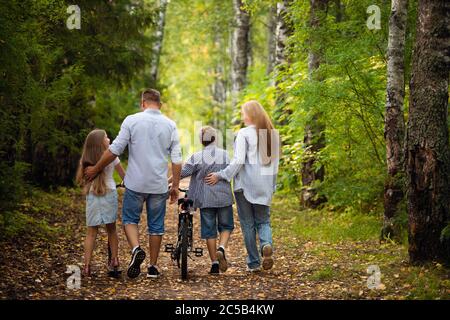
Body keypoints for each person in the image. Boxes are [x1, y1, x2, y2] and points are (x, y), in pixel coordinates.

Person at [84, 89, 182, 279]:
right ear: (159, 105)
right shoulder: (170, 125)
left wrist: (96, 169)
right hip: (158, 185)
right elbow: (177, 159)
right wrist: (175, 186)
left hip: (135, 183)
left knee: (130, 220)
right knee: (156, 226)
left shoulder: (132, 120)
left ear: (143, 103)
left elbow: (115, 149)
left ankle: (136, 249)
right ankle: (152, 267)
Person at [205, 100, 280, 272]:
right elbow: (275, 165)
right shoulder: (272, 134)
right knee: (263, 221)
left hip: (245, 186)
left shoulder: (244, 134)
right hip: (265, 185)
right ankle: (266, 245)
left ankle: (253, 263)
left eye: (243, 113)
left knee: (248, 224)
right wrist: (272, 186)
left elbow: (238, 161)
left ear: (251, 114)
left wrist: (221, 175)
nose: (242, 116)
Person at [170, 126, 234, 275]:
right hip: (224, 197)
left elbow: (182, 173)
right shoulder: (225, 155)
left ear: (201, 140)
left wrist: (168, 181)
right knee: (226, 226)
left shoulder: (196, 156)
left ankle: (214, 264)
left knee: (209, 231)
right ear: (215, 138)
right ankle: (222, 248)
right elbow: (231, 172)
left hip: (205, 199)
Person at [76, 129, 126, 277]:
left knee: (91, 232)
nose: (109, 139)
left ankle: (86, 266)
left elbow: (82, 178)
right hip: (109, 192)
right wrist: (125, 183)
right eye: (106, 137)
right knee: (111, 230)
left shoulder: (86, 158)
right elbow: (124, 175)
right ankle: (115, 260)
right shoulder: (112, 156)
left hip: (92, 194)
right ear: (100, 142)